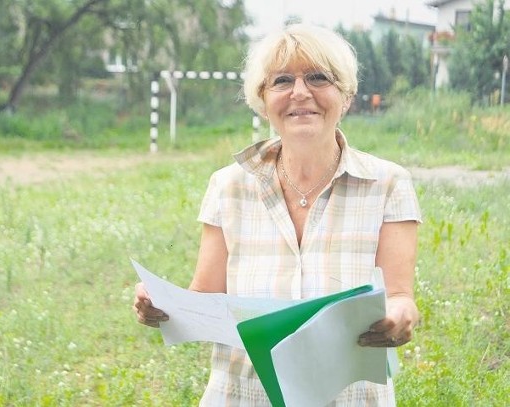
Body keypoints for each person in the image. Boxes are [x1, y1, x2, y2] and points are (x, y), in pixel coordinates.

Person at [133, 23, 422, 406]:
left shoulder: (388, 183)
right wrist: (163, 306)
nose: (300, 92)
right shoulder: (228, 185)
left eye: (319, 77)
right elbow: (204, 296)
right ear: (263, 100)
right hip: (241, 394)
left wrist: (400, 316)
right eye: (282, 80)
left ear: (347, 96)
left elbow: (400, 296)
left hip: (350, 397)